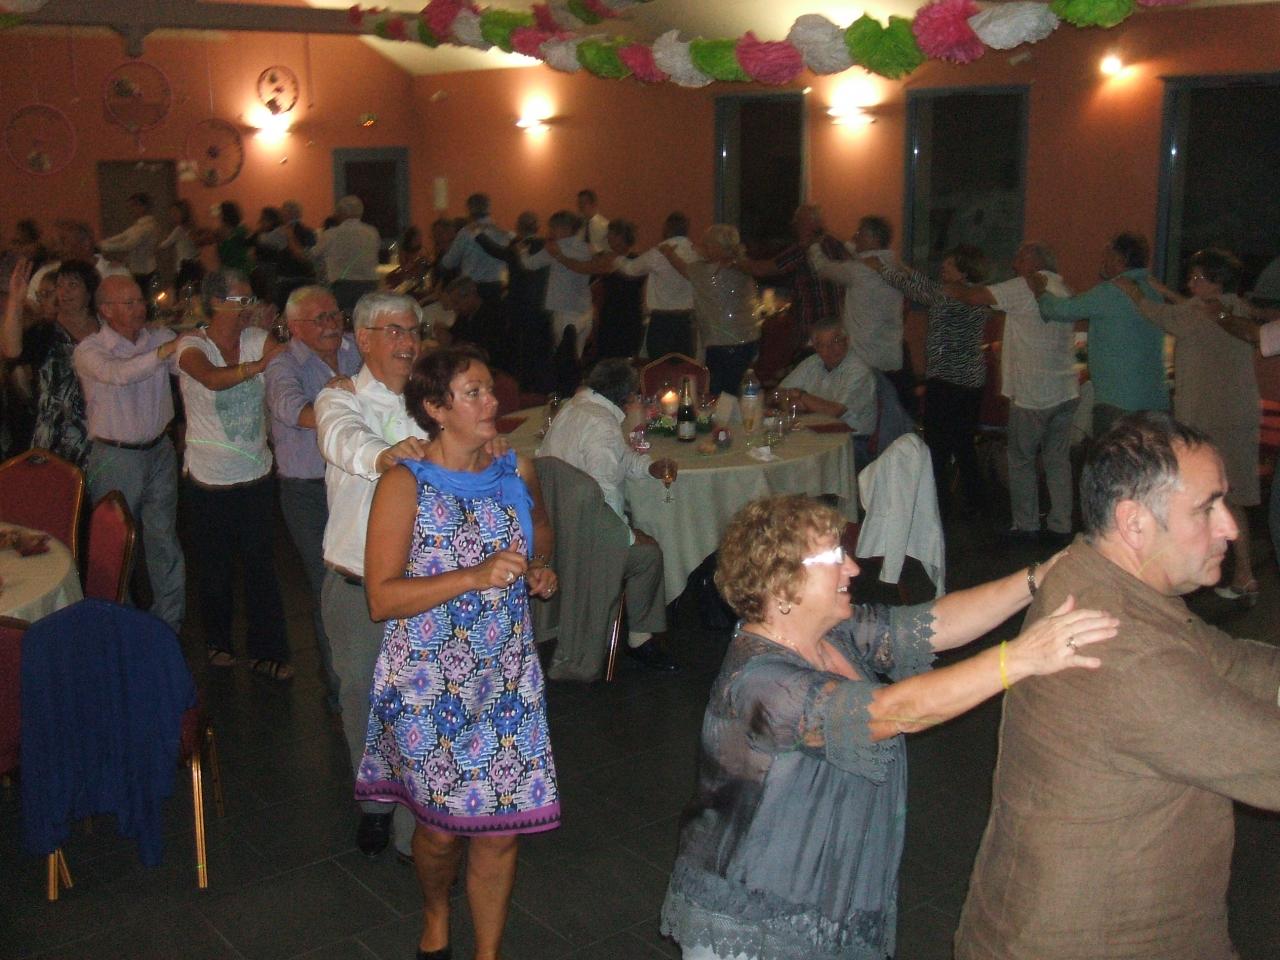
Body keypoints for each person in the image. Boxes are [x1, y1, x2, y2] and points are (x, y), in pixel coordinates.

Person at [660, 494, 1117, 960]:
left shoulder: (830, 634)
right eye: (833, 558)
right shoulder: (761, 684)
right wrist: (1019, 658)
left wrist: (1038, 578)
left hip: (820, 895)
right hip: (755, 918)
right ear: (781, 587)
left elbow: (933, 622)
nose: (853, 569)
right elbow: (892, 711)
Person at [956, 411, 1280, 960]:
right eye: (1207, 508)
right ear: (1134, 523)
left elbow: (1228, 663)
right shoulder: (1128, 655)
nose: (1229, 526)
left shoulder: (1091, 575)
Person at [357, 345, 560, 960]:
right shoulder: (403, 485)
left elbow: (542, 531)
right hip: (428, 683)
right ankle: (436, 908)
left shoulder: (516, 470)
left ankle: (487, 954)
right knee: (440, 832)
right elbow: (381, 599)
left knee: (500, 833)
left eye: (490, 389)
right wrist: (473, 576)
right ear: (435, 409)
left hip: (506, 677)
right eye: (473, 392)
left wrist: (541, 567)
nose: (492, 401)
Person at [315, 291, 432, 864]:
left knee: (419, 704)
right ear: (362, 338)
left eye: (414, 330)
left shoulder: (433, 400)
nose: (408, 341)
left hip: (422, 588)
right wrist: (389, 455)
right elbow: (344, 442)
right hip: (357, 587)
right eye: (394, 331)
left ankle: (417, 828)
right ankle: (376, 807)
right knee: (361, 698)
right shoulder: (341, 399)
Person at [1112, 248, 1261, 601]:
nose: (1191, 283)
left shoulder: (1196, 312)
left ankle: (1190, 572)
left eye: (1198, 278)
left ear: (1217, 282)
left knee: (1200, 496)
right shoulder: (1235, 308)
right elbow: (1186, 308)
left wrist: (1133, 292)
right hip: (1238, 413)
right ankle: (1245, 574)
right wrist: (1162, 287)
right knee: (1232, 495)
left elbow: (1161, 315)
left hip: (1208, 417)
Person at [176, 270, 290, 677]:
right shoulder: (191, 344)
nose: (249, 308)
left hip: (255, 474)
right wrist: (257, 366)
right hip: (208, 480)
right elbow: (209, 378)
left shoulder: (257, 339)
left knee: (261, 567)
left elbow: (286, 366)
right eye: (242, 301)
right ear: (215, 303)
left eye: (250, 300)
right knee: (214, 569)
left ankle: (269, 650)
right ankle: (218, 643)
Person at [537, 357, 678, 672]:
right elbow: (606, 494)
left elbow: (617, 457)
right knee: (649, 554)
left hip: (554, 529)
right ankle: (640, 639)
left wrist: (648, 466)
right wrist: (627, 536)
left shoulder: (572, 410)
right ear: (627, 398)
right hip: (582, 539)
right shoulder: (601, 423)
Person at [264, 286, 362, 712]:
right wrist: (345, 401)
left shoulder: (358, 349)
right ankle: (341, 688)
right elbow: (294, 411)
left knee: (367, 576)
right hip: (308, 492)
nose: (330, 323)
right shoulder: (283, 365)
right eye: (319, 318)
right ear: (296, 328)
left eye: (334, 314)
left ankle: (369, 677)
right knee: (329, 587)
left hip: (357, 484)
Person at [73, 274, 185, 632]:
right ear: (105, 311)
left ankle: (169, 622)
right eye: (130, 303)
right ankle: (121, 623)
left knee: (164, 538)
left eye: (140, 300)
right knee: (117, 543)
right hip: (115, 456)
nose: (141, 308)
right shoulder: (90, 349)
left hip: (160, 450)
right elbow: (118, 374)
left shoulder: (159, 338)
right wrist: (165, 352)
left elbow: (188, 366)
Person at [947, 242, 1079, 541]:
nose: (1014, 262)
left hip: (1034, 392)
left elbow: (974, 297)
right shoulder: (1063, 287)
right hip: (1065, 388)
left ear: (1033, 261)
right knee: (1058, 459)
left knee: (1021, 459)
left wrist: (949, 286)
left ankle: (1027, 524)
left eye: (1020, 257)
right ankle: (1061, 524)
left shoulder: (1025, 286)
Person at [868, 246, 991, 510]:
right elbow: (929, 286)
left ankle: (939, 504)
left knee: (938, 444)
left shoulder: (950, 295)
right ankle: (977, 502)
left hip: (947, 381)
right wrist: (907, 269)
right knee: (963, 443)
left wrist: (884, 271)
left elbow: (918, 290)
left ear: (962, 271)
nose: (942, 269)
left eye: (948, 266)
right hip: (970, 382)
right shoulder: (978, 295)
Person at [1035, 232, 1168, 436]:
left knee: (1112, 463)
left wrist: (1041, 293)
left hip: (1119, 402)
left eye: (1106, 256)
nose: (1102, 262)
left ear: (1119, 259)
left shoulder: (1112, 290)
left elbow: (1061, 311)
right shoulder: (1152, 291)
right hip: (1155, 402)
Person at [1, 258, 99, 467]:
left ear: (89, 292)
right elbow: (11, 350)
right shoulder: (44, 333)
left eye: (72, 285)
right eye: (60, 286)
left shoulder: (106, 333)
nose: (64, 292)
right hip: (54, 442)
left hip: (99, 439)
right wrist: (16, 301)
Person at [808, 216, 909, 407]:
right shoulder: (894, 264)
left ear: (872, 238)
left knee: (864, 410)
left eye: (859, 233)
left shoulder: (859, 271)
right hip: (890, 354)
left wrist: (814, 245)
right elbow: (860, 254)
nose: (855, 237)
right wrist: (831, 233)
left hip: (865, 355)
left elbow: (823, 268)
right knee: (886, 410)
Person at [661, 224, 759, 396]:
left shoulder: (704, 271)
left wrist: (669, 253)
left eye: (705, 244)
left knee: (721, 395)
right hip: (749, 339)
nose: (700, 247)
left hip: (722, 343)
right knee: (738, 391)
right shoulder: (741, 267)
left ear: (715, 247)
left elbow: (682, 267)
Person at [546, 219, 646, 359]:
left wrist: (560, 256)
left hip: (616, 318)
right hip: (631, 316)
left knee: (610, 358)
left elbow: (582, 267)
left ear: (620, 237)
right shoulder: (639, 259)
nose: (607, 238)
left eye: (610, 235)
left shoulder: (612, 259)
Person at [780, 320, 877, 460]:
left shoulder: (858, 371)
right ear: (814, 346)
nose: (828, 349)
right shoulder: (812, 362)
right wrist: (798, 403)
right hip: (814, 433)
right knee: (775, 448)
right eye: (821, 345)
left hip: (853, 441)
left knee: (800, 460)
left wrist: (801, 396)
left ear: (847, 341)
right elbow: (779, 394)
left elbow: (834, 411)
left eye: (835, 341)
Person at [613, 211, 695, 360]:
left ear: (667, 229)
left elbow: (631, 269)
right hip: (687, 321)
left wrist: (616, 258)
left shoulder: (658, 252)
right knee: (684, 367)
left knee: (659, 367)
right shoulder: (694, 251)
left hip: (662, 320)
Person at [311, 195, 380, 314]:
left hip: (342, 286)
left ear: (340, 213)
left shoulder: (331, 234)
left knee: (342, 320)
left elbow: (313, 254)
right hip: (370, 284)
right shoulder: (372, 232)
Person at [440, 193, 510, 304]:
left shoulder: (465, 233)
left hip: (471, 290)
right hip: (496, 288)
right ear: (489, 208)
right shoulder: (501, 232)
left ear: (469, 209)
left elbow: (449, 262)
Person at [98, 192, 161, 291]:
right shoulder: (139, 226)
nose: (131, 210)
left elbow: (128, 245)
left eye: (133, 206)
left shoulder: (147, 226)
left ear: (143, 207)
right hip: (139, 270)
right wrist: (103, 243)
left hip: (144, 272)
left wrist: (103, 246)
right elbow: (122, 236)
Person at [159, 199, 202, 293]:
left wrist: (159, 241)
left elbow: (164, 245)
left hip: (185, 266)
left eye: (175, 212)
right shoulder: (191, 227)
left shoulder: (179, 230)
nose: (172, 216)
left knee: (179, 292)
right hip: (194, 264)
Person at [213, 201, 252, 275]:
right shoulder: (243, 229)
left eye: (221, 214)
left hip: (235, 270)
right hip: (239, 268)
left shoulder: (239, 231)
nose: (219, 216)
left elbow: (224, 254)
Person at [577, 188, 609, 253]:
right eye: (580, 203)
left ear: (593, 204)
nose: (581, 206)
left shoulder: (604, 225)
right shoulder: (579, 225)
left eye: (584, 203)